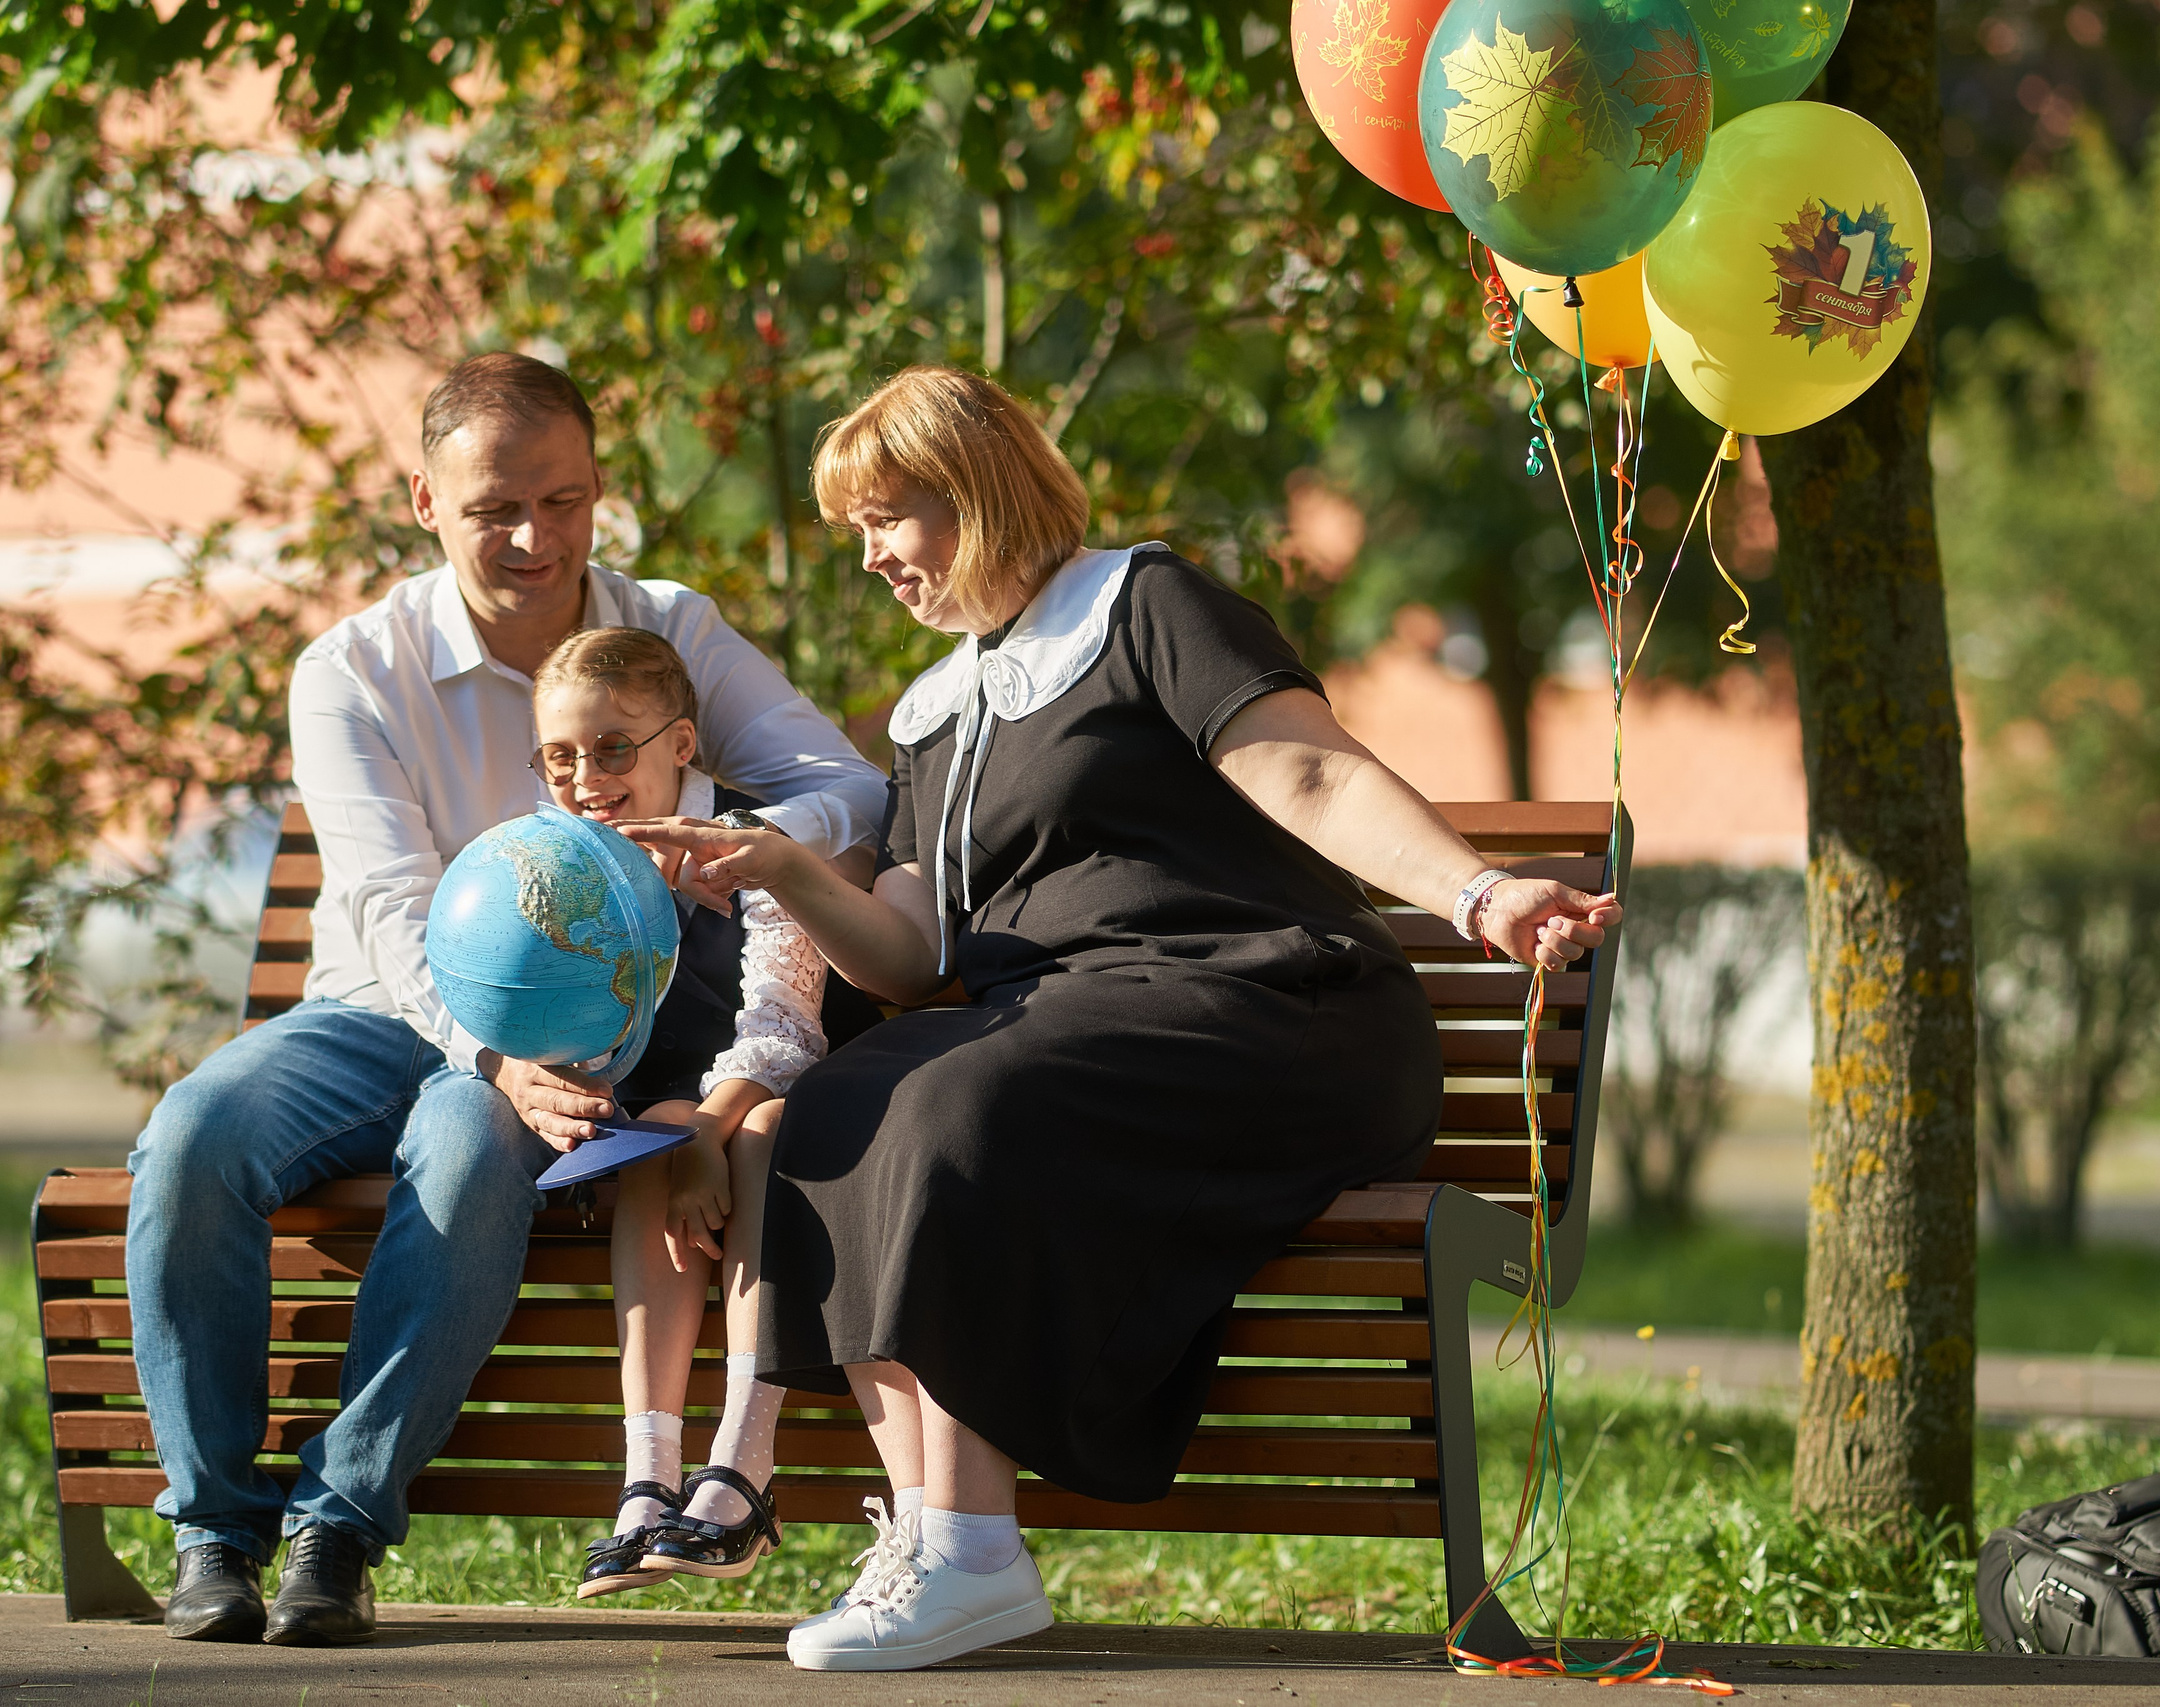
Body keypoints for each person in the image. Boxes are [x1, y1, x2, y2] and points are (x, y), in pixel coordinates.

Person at [626, 365, 1621, 1673]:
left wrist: (1476, 891)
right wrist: (790, 872)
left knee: (950, 1099)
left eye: (889, 517)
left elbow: (1309, 765)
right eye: (856, 530)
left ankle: (977, 1550)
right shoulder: (936, 712)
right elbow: (914, 950)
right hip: (1074, 1030)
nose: (870, 557)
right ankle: (931, 1532)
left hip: (1271, 1004)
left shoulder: (1143, 601)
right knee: (831, 1108)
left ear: (975, 491)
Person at [124, 353, 886, 1647]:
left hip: (572, 1038)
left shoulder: (669, 631)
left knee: (472, 1160)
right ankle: (213, 1527)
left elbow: (850, 788)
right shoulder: (356, 666)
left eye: (566, 499)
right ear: (425, 500)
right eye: (495, 509)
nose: (536, 538)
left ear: (598, 490)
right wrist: (481, 1052)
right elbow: (384, 903)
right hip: (379, 1011)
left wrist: (719, 837)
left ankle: (340, 1530)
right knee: (193, 1136)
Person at [520, 627, 844, 1601]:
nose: (586, 776)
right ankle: (649, 1482)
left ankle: (743, 1469)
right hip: (669, 1111)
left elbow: (784, 1026)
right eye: (561, 756)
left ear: (681, 746)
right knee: (656, 1136)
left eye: (614, 747)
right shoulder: (556, 869)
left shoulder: (756, 844)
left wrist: (710, 1122)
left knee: (748, 1131)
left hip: (794, 1093)